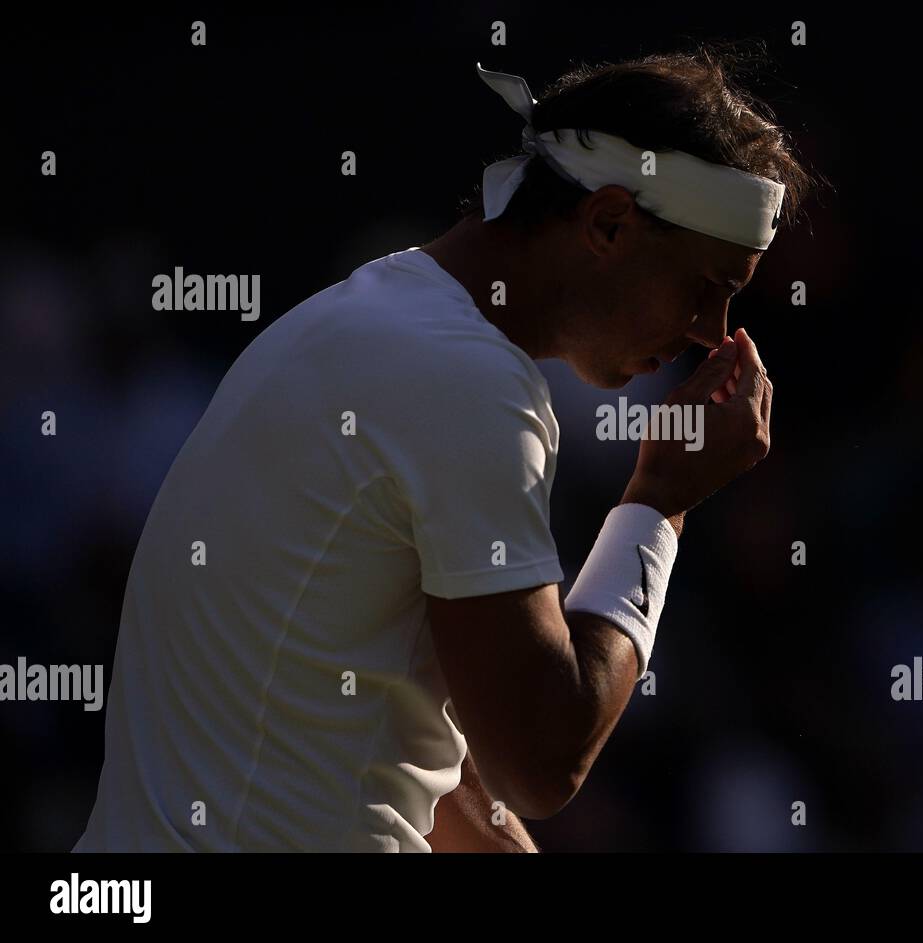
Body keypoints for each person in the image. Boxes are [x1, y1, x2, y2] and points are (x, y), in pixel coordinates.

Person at [74, 46, 812, 852]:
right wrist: (661, 501)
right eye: (707, 287)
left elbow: (415, 744)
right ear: (606, 223)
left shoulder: (372, 319)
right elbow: (541, 763)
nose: (711, 332)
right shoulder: (466, 380)